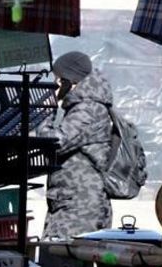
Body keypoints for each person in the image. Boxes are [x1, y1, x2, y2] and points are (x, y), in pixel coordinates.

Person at [39, 51, 114, 239]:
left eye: (58, 80)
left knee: (60, 261)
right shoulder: (82, 107)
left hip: (80, 210)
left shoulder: (89, 108)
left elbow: (56, 142)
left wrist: (45, 110)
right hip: (71, 204)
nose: (55, 85)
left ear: (70, 80)